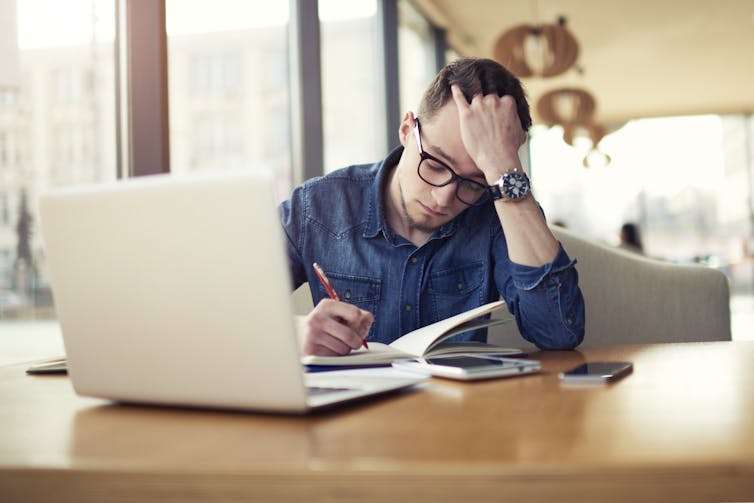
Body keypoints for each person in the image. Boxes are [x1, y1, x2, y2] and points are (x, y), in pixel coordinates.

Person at [280, 57, 585, 356]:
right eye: (437, 165)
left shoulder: (500, 207)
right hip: (350, 403)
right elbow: (233, 307)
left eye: (473, 182)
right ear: (406, 130)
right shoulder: (316, 207)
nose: (443, 198)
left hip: (457, 406)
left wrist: (505, 175)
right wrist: (296, 331)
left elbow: (557, 332)